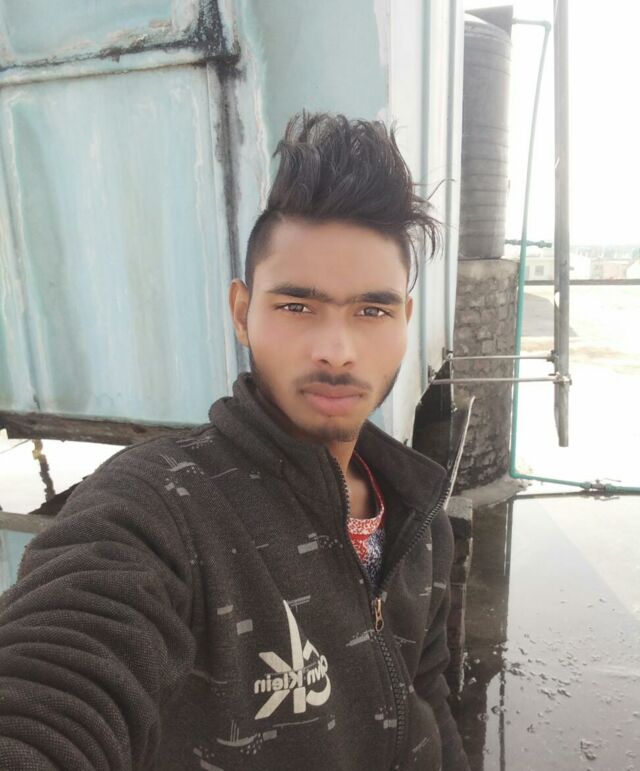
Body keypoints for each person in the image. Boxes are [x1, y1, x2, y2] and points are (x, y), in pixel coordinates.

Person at [0, 113, 470, 770]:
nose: (337, 349)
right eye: (297, 306)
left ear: (405, 320)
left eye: (372, 310)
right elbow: (57, 682)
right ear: (242, 313)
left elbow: (430, 695)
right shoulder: (159, 508)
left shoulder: (420, 518)